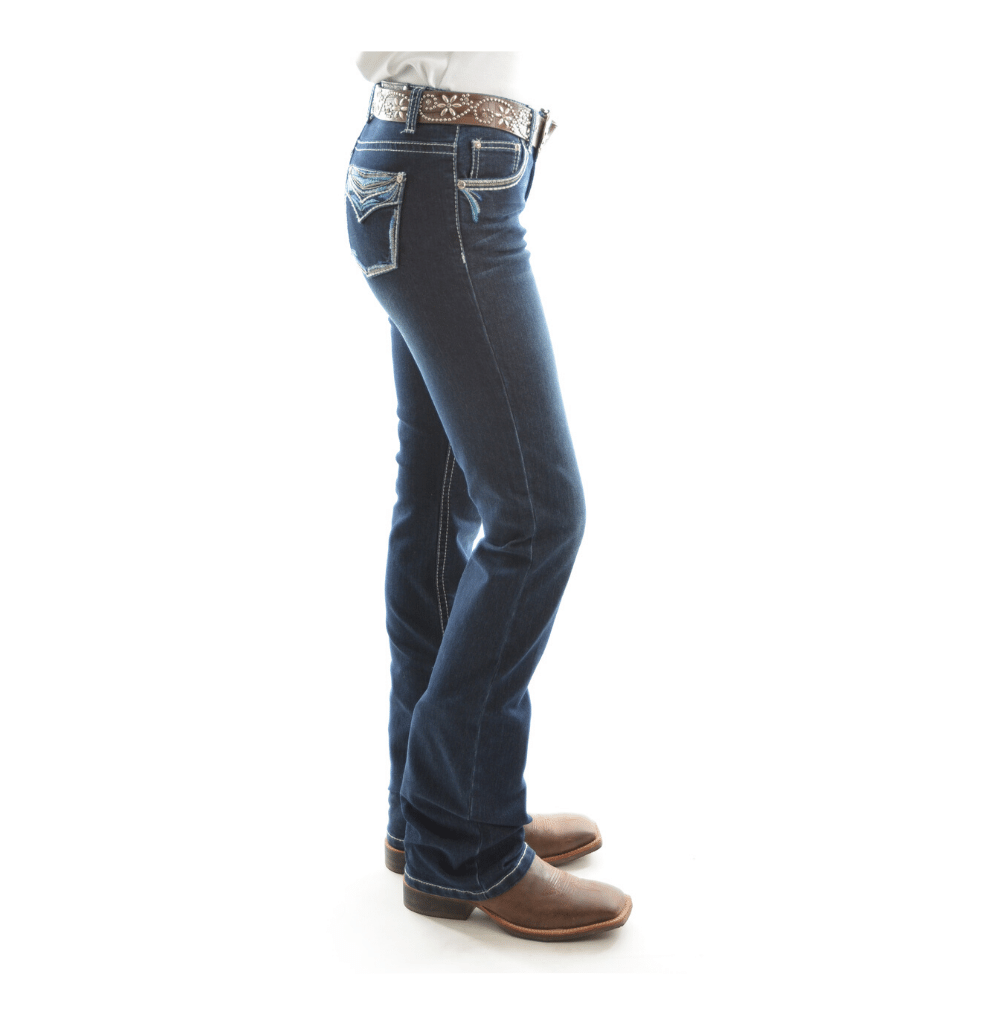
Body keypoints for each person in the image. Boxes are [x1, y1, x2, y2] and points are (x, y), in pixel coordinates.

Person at [345, 52, 632, 941]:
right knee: (537, 516)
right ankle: (463, 835)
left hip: (425, 161)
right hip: (449, 172)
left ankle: (430, 810)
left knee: (441, 503)